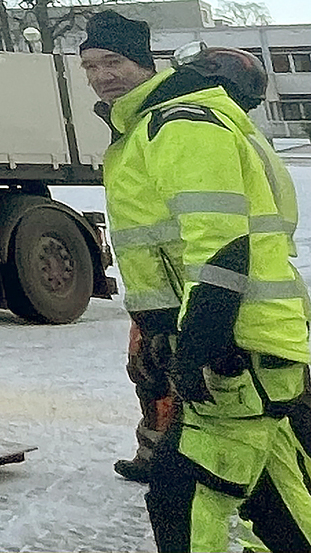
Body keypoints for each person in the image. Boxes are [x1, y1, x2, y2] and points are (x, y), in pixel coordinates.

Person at [84, 8, 311, 552]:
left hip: (239, 342)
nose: (102, 75)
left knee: (182, 493)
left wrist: (201, 343)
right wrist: (159, 329)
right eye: (90, 66)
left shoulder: (179, 124)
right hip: (249, 338)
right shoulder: (147, 129)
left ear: (145, 64)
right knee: (271, 494)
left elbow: (219, 243)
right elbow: (164, 253)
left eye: (114, 62)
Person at [115, 43, 286, 486]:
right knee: (272, 442)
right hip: (242, 304)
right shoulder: (242, 135)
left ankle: (162, 456)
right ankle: (159, 452)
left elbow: (215, 238)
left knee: (213, 459)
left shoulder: (193, 127)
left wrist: (201, 331)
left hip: (211, 303)